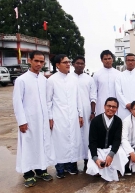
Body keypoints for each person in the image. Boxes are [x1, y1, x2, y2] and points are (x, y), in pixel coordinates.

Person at [13, 51, 55, 188]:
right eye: (36, 61)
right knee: (28, 146)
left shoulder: (44, 80)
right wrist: (22, 121)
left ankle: (41, 170)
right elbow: (17, 102)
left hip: (42, 121)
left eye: (41, 62)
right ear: (29, 60)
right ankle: (28, 174)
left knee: (41, 145)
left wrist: (49, 118)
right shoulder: (22, 80)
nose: (39, 64)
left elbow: (48, 101)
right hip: (29, 121)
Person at [47, 54, 84, 178]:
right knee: (60, 142)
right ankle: (60, 168)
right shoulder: (52, 80)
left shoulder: (74, 79)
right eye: (65, 62)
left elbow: (78, 98)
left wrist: (80, 115)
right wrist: (50, 117)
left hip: (73, 116)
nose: (68, 64)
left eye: (69, 62)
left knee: (73, 140)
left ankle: (72, 166)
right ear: (57, 65)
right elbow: (48, 101)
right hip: (59, 116)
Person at [86, 97, 128, 181]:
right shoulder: (95, 121)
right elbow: (92, 141)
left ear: (117, 108)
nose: (111, 109)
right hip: (98, 149)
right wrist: (95, 158)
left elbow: (117, 139)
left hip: (111, 149)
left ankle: (115, 169)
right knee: (93, 168)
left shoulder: (118, 121)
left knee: (121, 153)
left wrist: (111, 154)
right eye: (109, 106)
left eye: (114, 107)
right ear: (104, 106)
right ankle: (99, 170)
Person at [72, 56, 97, 168]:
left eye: (82, 63)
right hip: (72, 110)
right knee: (74, 136)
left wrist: (92, 112)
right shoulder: (69, 78)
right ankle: (73, 162)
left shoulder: (89, 79)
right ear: (73, 64)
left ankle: (88, 160)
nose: (80, 65)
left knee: (87, 136)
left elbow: (93, 97)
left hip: (87, 111)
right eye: (77, 63)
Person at [115, 53, 135, 120]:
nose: (130, 62)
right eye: (128, 60)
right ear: (125, 62)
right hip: (124, 108)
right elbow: (118, 92)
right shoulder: (119, 76)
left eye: (132, 60)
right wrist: (126, 104)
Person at [93, 50, 121, 115]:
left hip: (115, 104)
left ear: (112, 59)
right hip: (101, 105)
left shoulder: (119, 74)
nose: (107, 61)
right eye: (105, 59)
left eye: (109, 58)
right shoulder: (97, 74)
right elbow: (94, 92)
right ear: (101, 60)